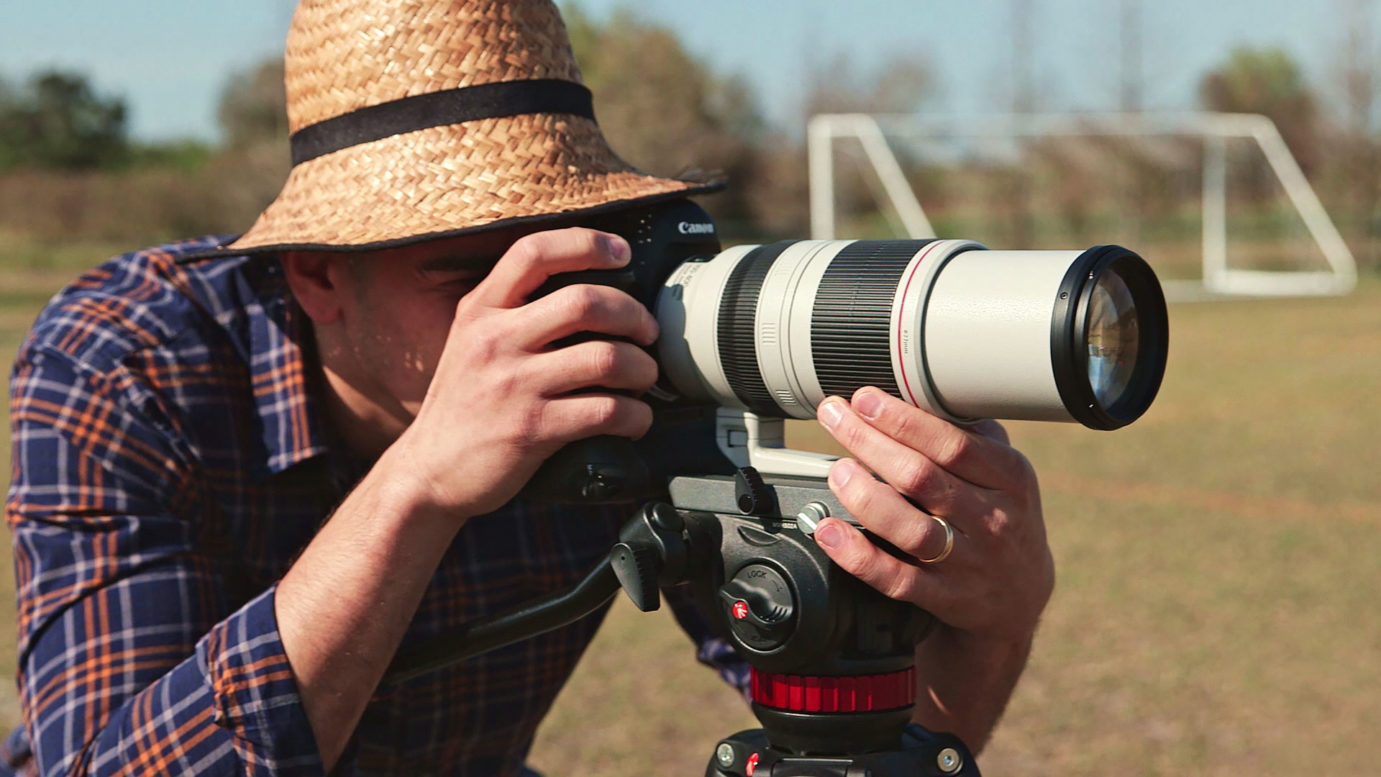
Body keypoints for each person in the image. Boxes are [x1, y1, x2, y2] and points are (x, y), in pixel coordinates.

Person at [2, 1, 1054, 775]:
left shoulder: (625, 345)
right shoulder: (128, 359)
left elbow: (865, 732)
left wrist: (990, 622)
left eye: (561, 257)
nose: (534, 316)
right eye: (465, 274)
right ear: (315, 274)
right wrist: (419, 484)